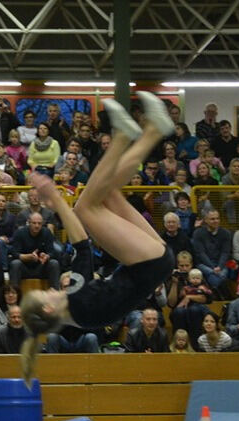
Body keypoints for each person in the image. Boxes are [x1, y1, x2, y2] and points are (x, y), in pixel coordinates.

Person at [19, 92, 175, 383]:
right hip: (148, 265)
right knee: (87, 206)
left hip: (152, 262)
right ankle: (122, 137)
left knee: (107, 192)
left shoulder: (75, 305)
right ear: (49, 308)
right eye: (46, 294)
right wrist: (55, 196)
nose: (52, 289)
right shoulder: (79, 305)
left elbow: (81, 246)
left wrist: (57, 202)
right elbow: (84, 244)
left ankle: (153, 129)